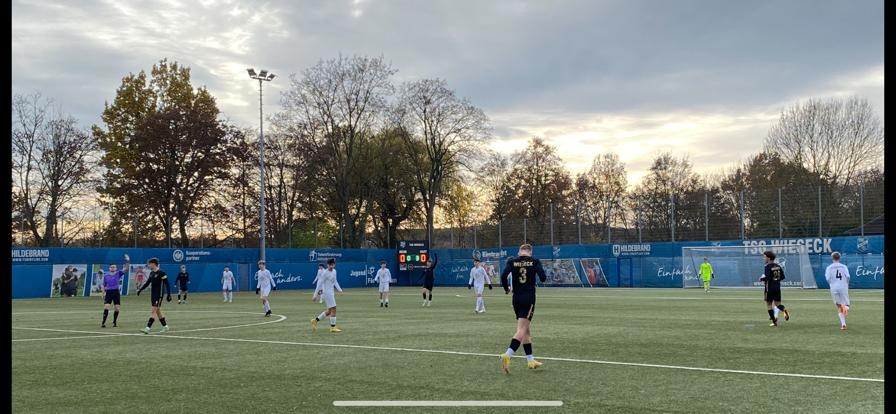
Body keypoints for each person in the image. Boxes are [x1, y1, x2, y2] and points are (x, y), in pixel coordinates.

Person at [499, 244, 547, 373]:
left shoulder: (512, 261)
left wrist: (506, 289)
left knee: (526, 330)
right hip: (528, 298)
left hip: (516, 299)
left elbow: (503, 277)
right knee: (521, 329)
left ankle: (530, 360)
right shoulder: (534, 261)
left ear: (520, 252)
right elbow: (543, 278)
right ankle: (508, 354)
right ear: (530, 252)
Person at [136, 257, 172, 334]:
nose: (148, 265)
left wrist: (169, 294)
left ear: (153, 264)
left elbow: (167, 284)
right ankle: (165, 327)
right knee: (158, 311)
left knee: (154, 310)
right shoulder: (151, 273)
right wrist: (140, 290)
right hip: (153, 294)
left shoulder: (162, 273)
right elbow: (147, 283)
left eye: (149, 264)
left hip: (159, 295)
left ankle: (147, 328)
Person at [311, 258, 343, 333]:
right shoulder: (325, 273)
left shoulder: (334, 271)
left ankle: (315, 321)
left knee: (329, 311)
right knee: (334, 309)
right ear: (327, 265)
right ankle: (333, 327)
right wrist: (315, 295)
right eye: (330, 265)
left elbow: (335, 281)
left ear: (334, 265)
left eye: (333, 264)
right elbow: (319, 284)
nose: (331, 266)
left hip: (331, 293)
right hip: (327, 293)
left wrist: (340, 290)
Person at [759, 250, 790, 327]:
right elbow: (782, 277)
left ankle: (774, 322)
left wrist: (761, 279)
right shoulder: (778, 266)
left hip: (769, 288)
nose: (763, 258)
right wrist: (776, 280)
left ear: (768, 258)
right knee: (778, 304)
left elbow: (767, 277)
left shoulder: (767, 267)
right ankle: (784, 310)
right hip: (777, 287)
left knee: (769, 304)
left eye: (764, 257)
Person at [100, 254, 130, 328]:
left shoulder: (118, 273)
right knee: (106, 307)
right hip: (109, 292)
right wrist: (103, 293)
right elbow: (103, 285)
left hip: (116, 292)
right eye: (111, 267)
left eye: (114, 267)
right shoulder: (106, 276)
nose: (112, 268)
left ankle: (114, 322)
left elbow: (126, 268)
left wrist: (127, 260)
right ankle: (103, 322)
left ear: (116, 268)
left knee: (117, 308)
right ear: (109, 268)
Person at [825, 251, 851, 330]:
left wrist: (831, 284)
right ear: (839, 258)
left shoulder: (829, 267)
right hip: (843, 286)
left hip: (834, 287)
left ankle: (843, 324)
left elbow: (827, 278)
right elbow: (848, 276)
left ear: (832, 258)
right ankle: (845, 308)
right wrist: (846, 283)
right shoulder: (844, 266)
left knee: (839, 305)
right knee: (846, 305)